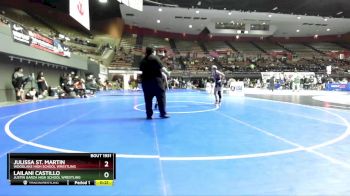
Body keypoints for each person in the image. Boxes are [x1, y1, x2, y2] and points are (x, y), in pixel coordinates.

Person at [139, 47, 169, 119]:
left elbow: (141, 69)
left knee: (148, 100)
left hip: (146, 82)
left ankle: (149, 115)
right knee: (161, 97)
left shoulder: (142, 60)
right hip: (156, 82)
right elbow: (162, 68)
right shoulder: (155, 58)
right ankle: (163, 113)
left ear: (146, 52)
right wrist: (167, 73)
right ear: (153, 52)